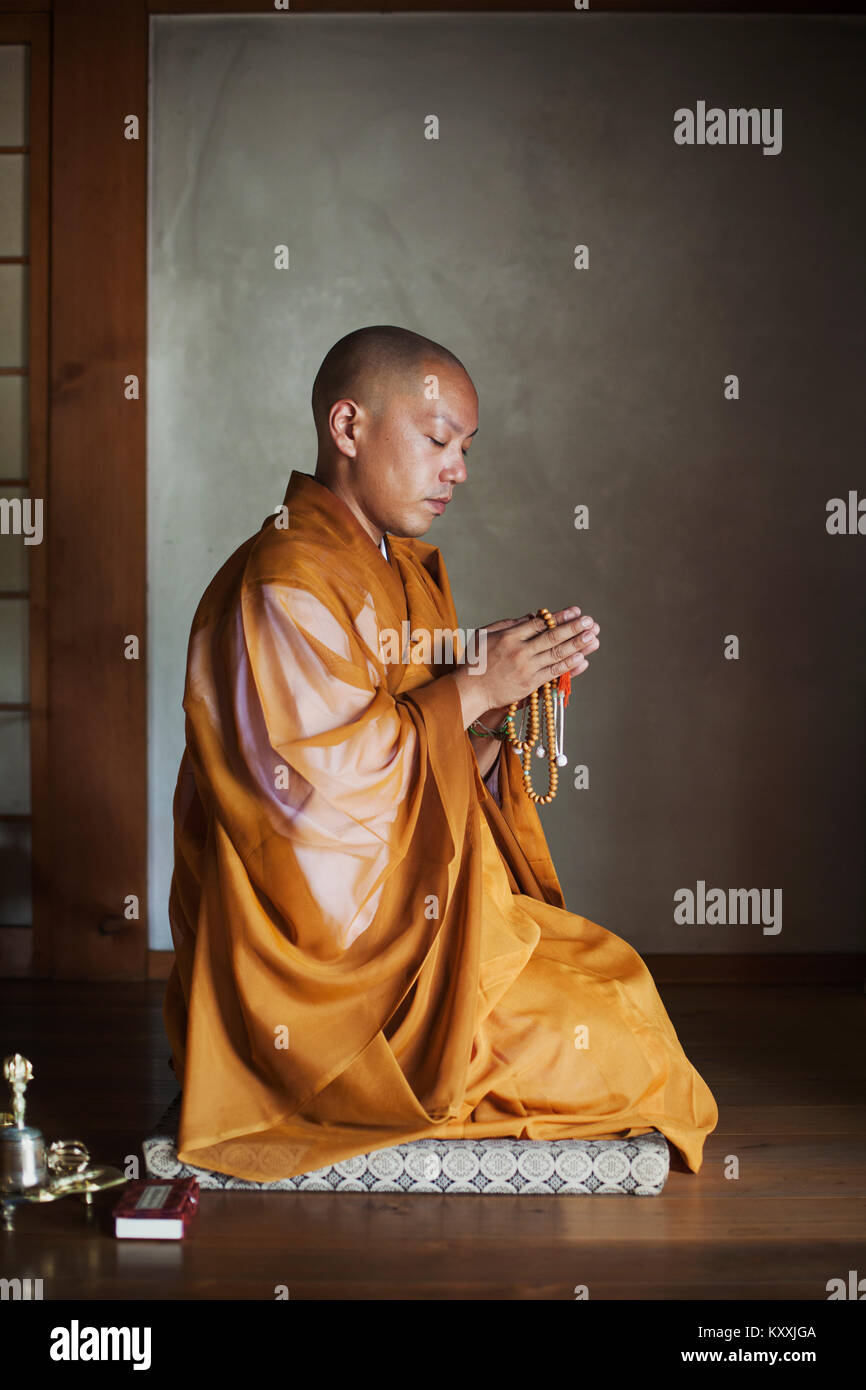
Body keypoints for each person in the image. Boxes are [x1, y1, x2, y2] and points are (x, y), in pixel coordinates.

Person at [163, 324, 718, 1182]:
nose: (458, 467)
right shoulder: (286, 580)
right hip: (344, 978)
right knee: (619, 1052)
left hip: (432, 920)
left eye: (465, 446)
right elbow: (313, 806)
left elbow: (436, 752)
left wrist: (504, 700)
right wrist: (472, 688)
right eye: (436, 440)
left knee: (618, 979)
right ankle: (333, 1084)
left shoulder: (403, 571)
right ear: (348, 429)